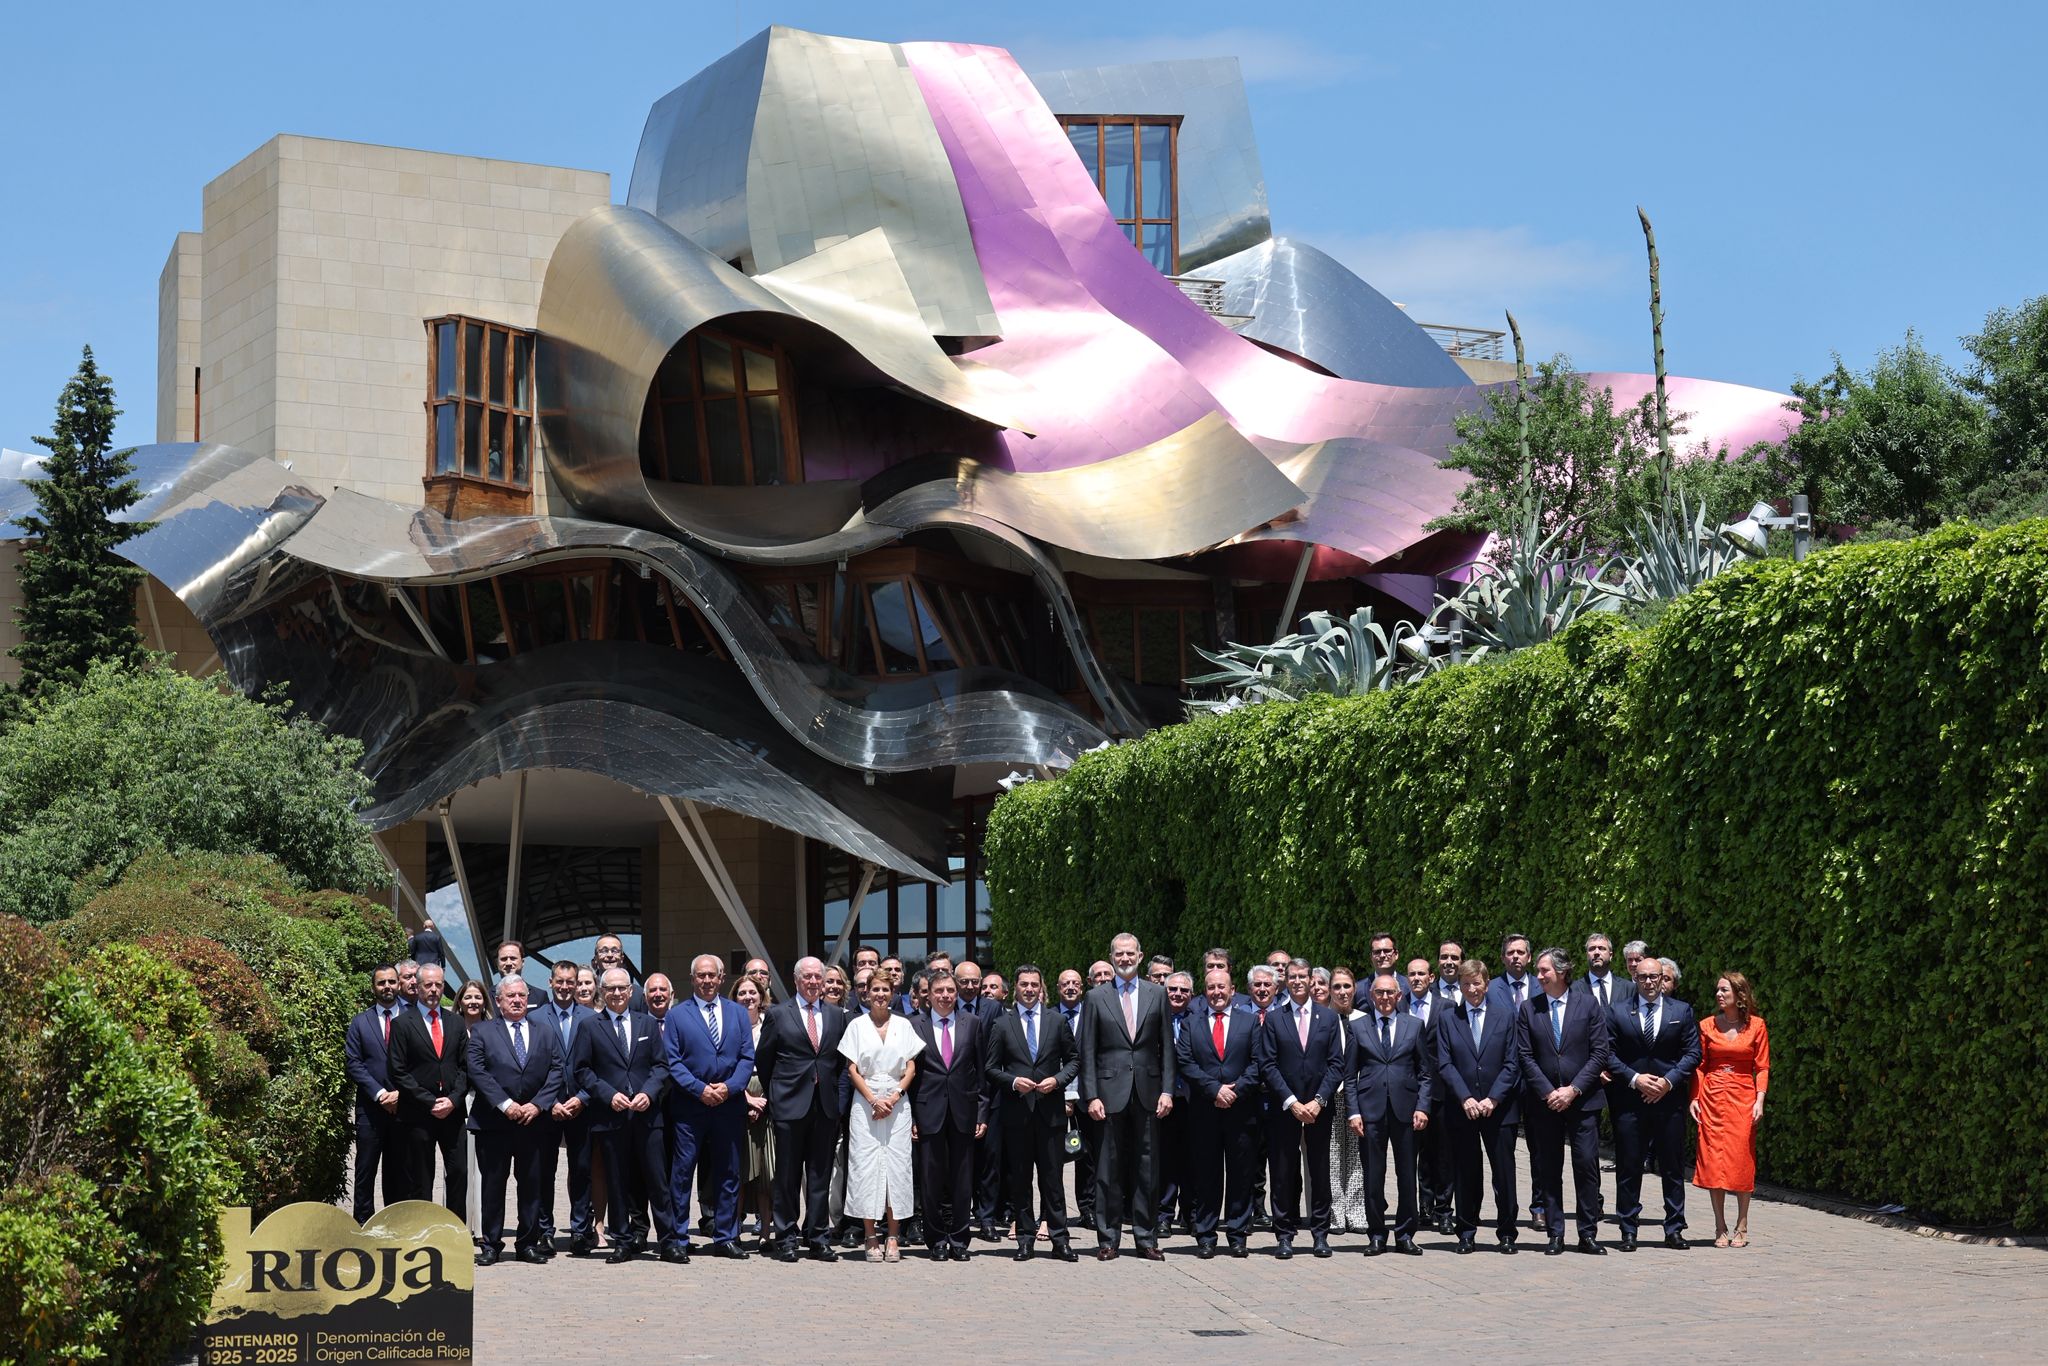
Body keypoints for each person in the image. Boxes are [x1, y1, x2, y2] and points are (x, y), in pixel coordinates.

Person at [1079, 932, 1176, 1260]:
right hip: (1107, 1095)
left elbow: (1167, 1047)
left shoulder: (1157, 994)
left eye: (1129, 953)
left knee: (1147, 1167)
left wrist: (1167, 1089)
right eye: (1118, 954)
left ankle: (1146, 1237)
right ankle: (1108, 1238)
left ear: (1140, 955)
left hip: (1148, 1093)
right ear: (1111, 955)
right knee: (1108, 1167)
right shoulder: (1096, 997)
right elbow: (1087, 1050)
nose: (1124, 958)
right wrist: (1090, 1094)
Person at [466, 976, 565, 1264]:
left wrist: (538, 1105)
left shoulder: (545, 1032)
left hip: (534, 1124)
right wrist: (506, 1104)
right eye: (511, 996)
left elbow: (556, 1071)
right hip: (494, 1123)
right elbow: (478, 1071)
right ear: (498, 1000)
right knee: (494, 1186)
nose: (517, 1000)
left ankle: (527, 1244)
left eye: (521, 995)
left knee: (532, 1185)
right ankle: (491, 1245)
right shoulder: (483, 1032)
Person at [1605, 954, 1701, 1250]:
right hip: (1630, 1101)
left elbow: (1693, 1053)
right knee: (1629, 1166)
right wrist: (1636, 1079)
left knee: (1672, 1167)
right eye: (1643, 977)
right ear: (1635, 979)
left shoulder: (1682, 1011)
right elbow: (1607, 1054)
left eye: (1654, 977)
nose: (1649, 982)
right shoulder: (1617, 1011)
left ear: (1664, 979)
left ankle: (1674, 1228)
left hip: (1668, 1101)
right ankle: (1628, 1229)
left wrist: (1667, 1081)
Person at [1518, 947, 1610, 1255]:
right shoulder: (1529, 1009)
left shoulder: (1588, 1004)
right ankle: (1555, 1232)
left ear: (1562, 972)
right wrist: (1548, 1092)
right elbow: (1525, 1056)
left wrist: (1573, 1090)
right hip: (1544, 1104)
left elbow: (1599, 1053)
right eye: (1539, 971)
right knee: (1549, 1168)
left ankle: (1587, 1233)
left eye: (1544, 971)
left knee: (1585, 1166)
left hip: (1582, 1102)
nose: (1539, 976)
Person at [985, 965, 1080, 1261]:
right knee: (1021, 1180)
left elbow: (1074, 1060)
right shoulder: (1003, 1024)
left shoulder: (1057, 1020)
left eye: (1034, 984)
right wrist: (1013, 1082)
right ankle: (1025, 1239)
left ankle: (1060, 1239)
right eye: (1023, 984)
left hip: (1050, 1112)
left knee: (1052, 1179)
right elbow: (990, 1068)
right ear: (1015, 987)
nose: (1029, 989)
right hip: (1017, 1114)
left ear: (1041, 988)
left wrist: (1058, 1080)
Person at [755, 956, 847, 1261]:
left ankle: (818, 1236)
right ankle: (787, 1237)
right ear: (796, 980)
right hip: (789, 1106)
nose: (812, 982)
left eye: (817, 977)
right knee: (788, 1175)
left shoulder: (836, 1016)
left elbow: (842, 1064)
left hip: (825, 1107)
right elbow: (765, 1062)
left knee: (820, 1174)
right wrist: (777, 1096)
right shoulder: (779, 1015)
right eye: (806, 977)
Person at [664, 955, 755, 1262]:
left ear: (721, 978)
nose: (706, 980)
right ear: (692, 979)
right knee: (682, 1174)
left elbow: (746, 1057)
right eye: (700, 976)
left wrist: (729, 1087)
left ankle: (726, 1237)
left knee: (728, 1173)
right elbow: (673, 1061)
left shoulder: (738, 1014)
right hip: (691, 1107)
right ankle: (677, 1237)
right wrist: (699, 1089)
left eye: (711, 976)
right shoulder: (677, 1015)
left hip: (729, 1106)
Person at [575, 968, 669, 1264]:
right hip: (610, 1114)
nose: (616, 993)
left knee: (657, 1180)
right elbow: (582, 1070)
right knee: (616, 1181)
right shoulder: (590, 1026)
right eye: (610, 988)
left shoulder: (647, 1024)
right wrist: (607, 1094)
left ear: (632, 992)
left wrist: (649, 1092)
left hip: (647, 1114)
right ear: (602, 992)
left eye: (622, 988)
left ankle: (669, 1241)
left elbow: (661, 1066)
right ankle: (623, 1241)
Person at [1435, 960, 1521, 1253]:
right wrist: (1465, 1097)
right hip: (1463, 1109)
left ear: (1487, 984)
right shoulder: (1449, 1018)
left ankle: (1507, 1231)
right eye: (1466, 984)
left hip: (1499, 1108)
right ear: (1459, 986)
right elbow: (1444, 1063)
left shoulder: (1505, 1016)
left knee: (1505, 1172)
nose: (1472, 989)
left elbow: (1512, 1063)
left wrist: (1493, 1098)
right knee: (1466, 1172)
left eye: (1477, 983)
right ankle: (1467, 1231)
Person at [1178, 966, 1264, 1258]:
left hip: (1241, 1111)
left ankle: (1237, 1235)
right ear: (1205, 991)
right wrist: (1214, 1090)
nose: (1217, 992)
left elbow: (1259, 1063)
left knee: (1241, 1176)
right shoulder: (1192, 1023)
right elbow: (1186, 1062)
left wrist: (1235, 1090)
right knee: (1206, 1175)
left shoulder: (1250, 1022)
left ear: (1232, 989)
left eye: (1222, 987)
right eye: (1211, 987)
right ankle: (1205, 1235)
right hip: (1205, 1110)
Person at [1260, 958, 1343, 1258]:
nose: (1297, 981)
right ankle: (1284, 1235)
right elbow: (1268, 1064)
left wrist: (1319, 1101)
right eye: (1292, 976)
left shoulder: (1328, 1018)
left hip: (1320, 1107)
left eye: (1302, 976)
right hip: (1286, 1108)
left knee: (1320, 1171)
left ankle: (1320, 1234)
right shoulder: (1274, 1019)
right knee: (1282, 1172)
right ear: (1286, 981)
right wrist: (1292, 1102)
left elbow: (1336, 1065)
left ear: (1311, 979)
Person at [1348, 971, 1433, 1255]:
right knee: (1373, 1175)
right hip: (1370, 1112)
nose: (1385, 998)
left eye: (1390, 993)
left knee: (1407, 1175)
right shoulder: (1358, 1027)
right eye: (1379, 993)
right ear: (1371, 997)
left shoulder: (1414, 1025)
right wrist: (1353, 1112)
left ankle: (1406, 1234)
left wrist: (1423, 1107)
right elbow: (1350, 1076)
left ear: (1399, 996)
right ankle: (1376, 1234)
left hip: (1406, 1112)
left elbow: (1425, 1073)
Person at [840, 972, 922, 1262]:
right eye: (875, 988)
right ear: (866, 992)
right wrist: (874, 1100)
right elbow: (852, 1069)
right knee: (866, 1166)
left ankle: (893, 1236)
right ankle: (870, 1235)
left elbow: (911, 1066)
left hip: (897, 1101)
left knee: (897, 1168)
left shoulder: (904, 1024)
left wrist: (895, 1095)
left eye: (885, 989)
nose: (880, 994)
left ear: (892, 992)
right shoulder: (856, 1026)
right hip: (866, 1102)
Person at [907, 970, 988, 1259]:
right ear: (927, 995)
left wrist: (981, 1111)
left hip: (964, 1112)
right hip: (929, 1112)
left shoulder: (973, 1024)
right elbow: (910, 1076)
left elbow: (979, 1072)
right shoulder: (914, 1025)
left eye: (950, 991)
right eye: (939, 990)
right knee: (931, 1180)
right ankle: (937, 1239)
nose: (945, 996)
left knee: (962, 1180)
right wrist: (913, 1118)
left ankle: (960, 1239)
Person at [1692, 971, 1769, 1248]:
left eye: (1724, 990)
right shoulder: (1707, 1026)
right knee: (1714, 1160)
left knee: (1740, 1159)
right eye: (1717, 990)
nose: (1719, 995)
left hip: (1742, 1096)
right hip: (1712, 1095)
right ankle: (1720, 1225)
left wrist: (1759, 1099)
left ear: (1739, 995)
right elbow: (1699, 1066)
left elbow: (1761, 1067)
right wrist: (1695, 1098)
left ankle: (1743, 1223)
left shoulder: (1757, 1026)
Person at [387, 963, 468, 1220]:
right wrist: (430, 1101)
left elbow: (466, 1067)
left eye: (438, 985)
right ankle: (423, 1232)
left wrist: (454, 1100)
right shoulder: (402, 1024)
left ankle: (454, 1231)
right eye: (428, 985)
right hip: (418, 1115)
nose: (434, 990)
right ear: (417, 987)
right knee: (421, 1178)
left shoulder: (456, 1022)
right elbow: (398, 1070)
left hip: (453, 1114)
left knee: (458, 1173)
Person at [532, 961, 597, 1254]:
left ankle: (581, 1231)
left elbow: (599, 1065)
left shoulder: (592, 1018)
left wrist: (582, 1098)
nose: (565, 986)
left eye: (571, 982)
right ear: (550, 982)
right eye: (560, 981)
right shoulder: (535, 1018)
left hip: (582, 1107)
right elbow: (531, 1069)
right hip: (548, 1107)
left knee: (582, 1170)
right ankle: (545, 1230)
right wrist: (551, 1101)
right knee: (545, 1171)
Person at [344, 965, 408, 1218]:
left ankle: (394, 1223)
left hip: (405, 1109)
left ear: (399, 984)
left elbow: (421, 1062)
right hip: (371, 1110)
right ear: (374, 987)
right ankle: (363, 1223)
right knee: (365, 1170)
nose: (387, 987)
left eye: (392, 981)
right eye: (381, 983)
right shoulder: (360, 1022)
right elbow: (354, 1062)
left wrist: (402, 1093)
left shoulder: (413, 1018)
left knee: (398, 1171)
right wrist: (380, 1094)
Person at [1406, 957, 1453, 1232]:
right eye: (1411, 974)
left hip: (1441, 1090)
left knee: (1443, 1153)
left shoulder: (1447, 1007)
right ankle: (1424, 1207)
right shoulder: (1399, 1005)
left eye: (1421, 973)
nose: (1416, 978)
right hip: (1409, 1091)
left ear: (1431, 977)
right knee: (1417, 1153)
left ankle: (1444, 1209)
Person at [1324, 967, 1369, 1233]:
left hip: (1358, 1094)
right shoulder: (1323, 1018)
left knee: (1356, 1155)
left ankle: (1356, 1210)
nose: (1342, 992)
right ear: (1330, 990)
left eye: (1347, 986)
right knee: (1332, 1155)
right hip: (1330, 1095)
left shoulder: (1365, 1019)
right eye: (1337, 986)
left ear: (1355, 989)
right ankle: (1335, 1212)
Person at [733, 976, 775, 1241]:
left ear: (761, 997)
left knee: (765, 1172)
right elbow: (724, 1065)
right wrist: (746, 1098)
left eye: (753, 992)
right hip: (736, 1096)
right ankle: (732, 1232)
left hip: (768, 1100)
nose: (748, 997)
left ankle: (766, 1233)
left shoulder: (770, 1026)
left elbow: (780, 1064)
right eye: (742, 993)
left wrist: (764, 1101)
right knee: (738, 1172)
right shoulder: (729, 1026)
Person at [453, 978, 492, 1233]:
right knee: (458, 1168)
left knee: (482, 1167)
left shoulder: (492, 1029)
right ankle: (458, 1225)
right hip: (458, 1101)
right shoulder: (452, 1027)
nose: (473, 1002)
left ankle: (480, 1227)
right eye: (468, 997)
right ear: (460, 1001)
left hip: (485, 1102)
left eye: (478, 997)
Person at [1583, 934, 1629, 1010]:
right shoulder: (1574, 989)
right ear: (1587, 955)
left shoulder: (1628, 988)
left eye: (1602, 948)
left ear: (1611, 956)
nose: (1596, 952)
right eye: (1592, 949)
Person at [1434, 942, 1465, 1007]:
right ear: (1438, 962)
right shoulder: (1428, 991)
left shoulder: (1470, 990)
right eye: (1444, 957)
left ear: (1462, 963)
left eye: (1454, 958)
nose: (1449, 962)